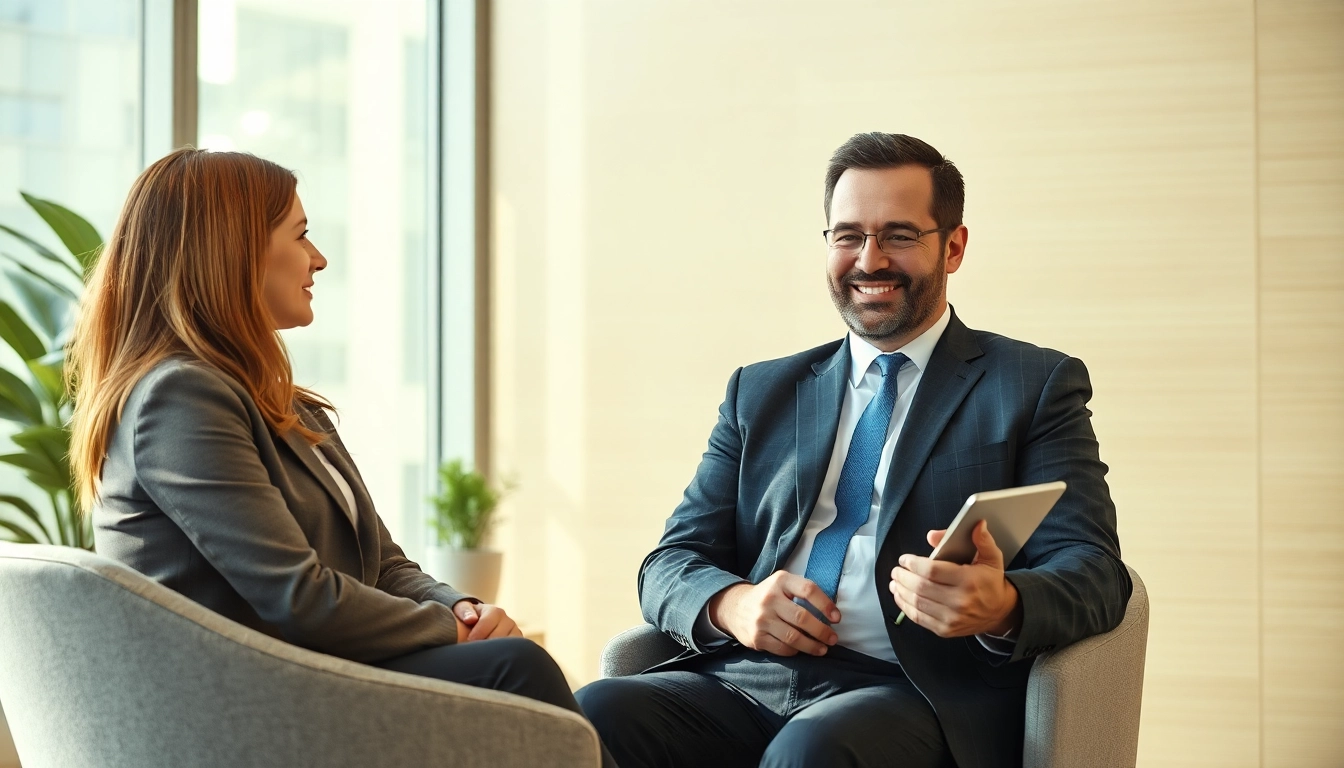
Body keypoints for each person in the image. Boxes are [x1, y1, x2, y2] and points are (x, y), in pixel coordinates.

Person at [574, 133, 1131, 768]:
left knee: (810, 751)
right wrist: (735, 604)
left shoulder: (1030, 386)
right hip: (744, 678)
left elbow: (1095, 573)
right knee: (591, 716)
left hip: (910, 691)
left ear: (953, 247)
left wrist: (1002, 605)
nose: (869, 260)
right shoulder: (759, 391)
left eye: (899, 235)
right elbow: (671, 561)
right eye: (848, 236)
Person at [68, 148, 615, 768]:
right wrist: (452, 632)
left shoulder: (288, 407)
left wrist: (458, 607)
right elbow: (297, 599)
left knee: (528, 672)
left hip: (303, 680)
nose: (320, 259)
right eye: (301, 236)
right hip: (232, 716)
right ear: (232, 253)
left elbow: (382, 565)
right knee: (513, 668)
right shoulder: (180, 398)